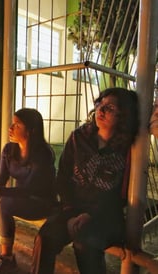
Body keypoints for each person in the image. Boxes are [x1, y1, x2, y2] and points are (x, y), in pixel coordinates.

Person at [31, 87, 140, 274]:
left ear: (124, 116)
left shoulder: (129, 148)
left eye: (110, 108)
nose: (101, 110)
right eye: (100, 104)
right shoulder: (79, 137)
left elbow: (121, 195)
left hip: (106, 214)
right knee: (45, 237)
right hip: (72, 208)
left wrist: (91, 215)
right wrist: (70, 211)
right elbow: (63, 177)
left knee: (86, 241)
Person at [0, 108, 57, 274]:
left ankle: (7, 259)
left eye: (17, 125)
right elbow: (1, 179)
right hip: (21, 197)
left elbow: (30, 189)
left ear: (31, 131)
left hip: (40, 202)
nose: (10, 128)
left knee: (3, 203)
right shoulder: (9, 150)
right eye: (12, 124)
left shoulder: (43, 155)